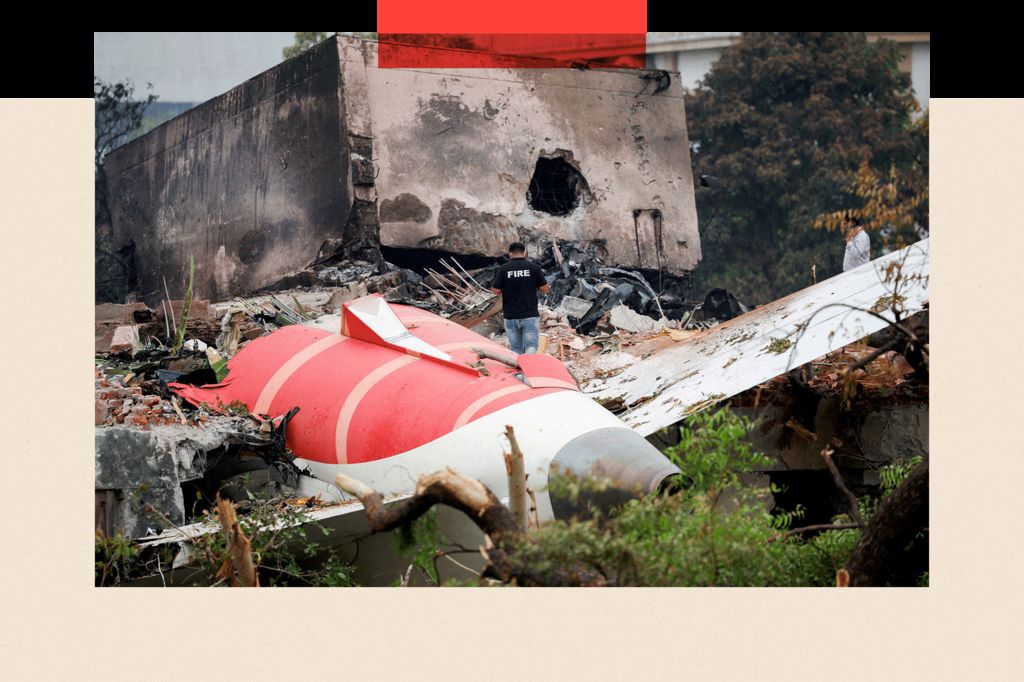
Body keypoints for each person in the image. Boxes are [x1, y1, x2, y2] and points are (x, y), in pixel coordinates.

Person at [490, 242, 550, 355]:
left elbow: (495, 291)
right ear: (524, 252)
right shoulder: (533, 268)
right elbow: (544, 289)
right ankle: (527, 367)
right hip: (530, 315)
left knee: (516, 349)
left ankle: (517, 367)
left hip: (510, 316)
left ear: (510, 253)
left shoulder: (503, 269)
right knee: (531, 346)